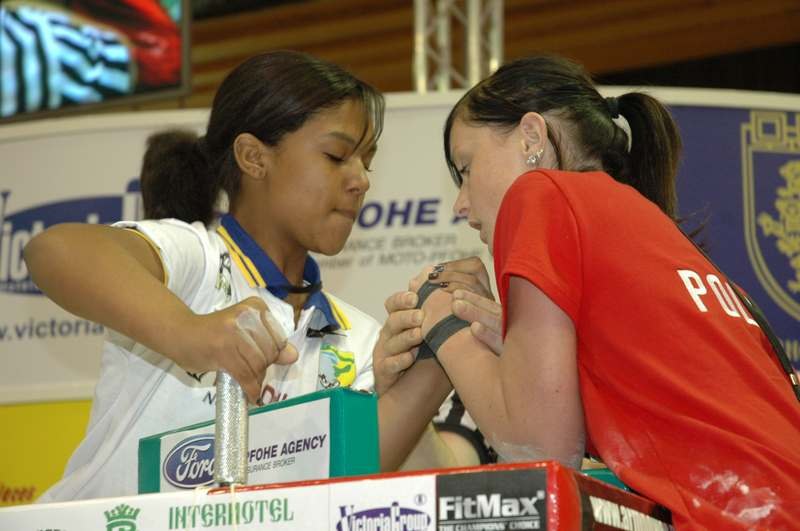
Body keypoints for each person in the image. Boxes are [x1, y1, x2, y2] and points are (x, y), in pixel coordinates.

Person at [382, 55, 800, 530]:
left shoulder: (539, 194)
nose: (461, 204)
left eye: (467, 168)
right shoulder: (654, 230)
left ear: (532, 138)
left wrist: (440, 314)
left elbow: (541, 448)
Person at [24, 50, 460, 502]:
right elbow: (54, 250)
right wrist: (191, 334)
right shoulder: (198, 258)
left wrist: (431, 367)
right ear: (254, 157)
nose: (361, 180)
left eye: (365, 162)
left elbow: (363, 481)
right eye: (336, 156)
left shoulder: (361, 339)